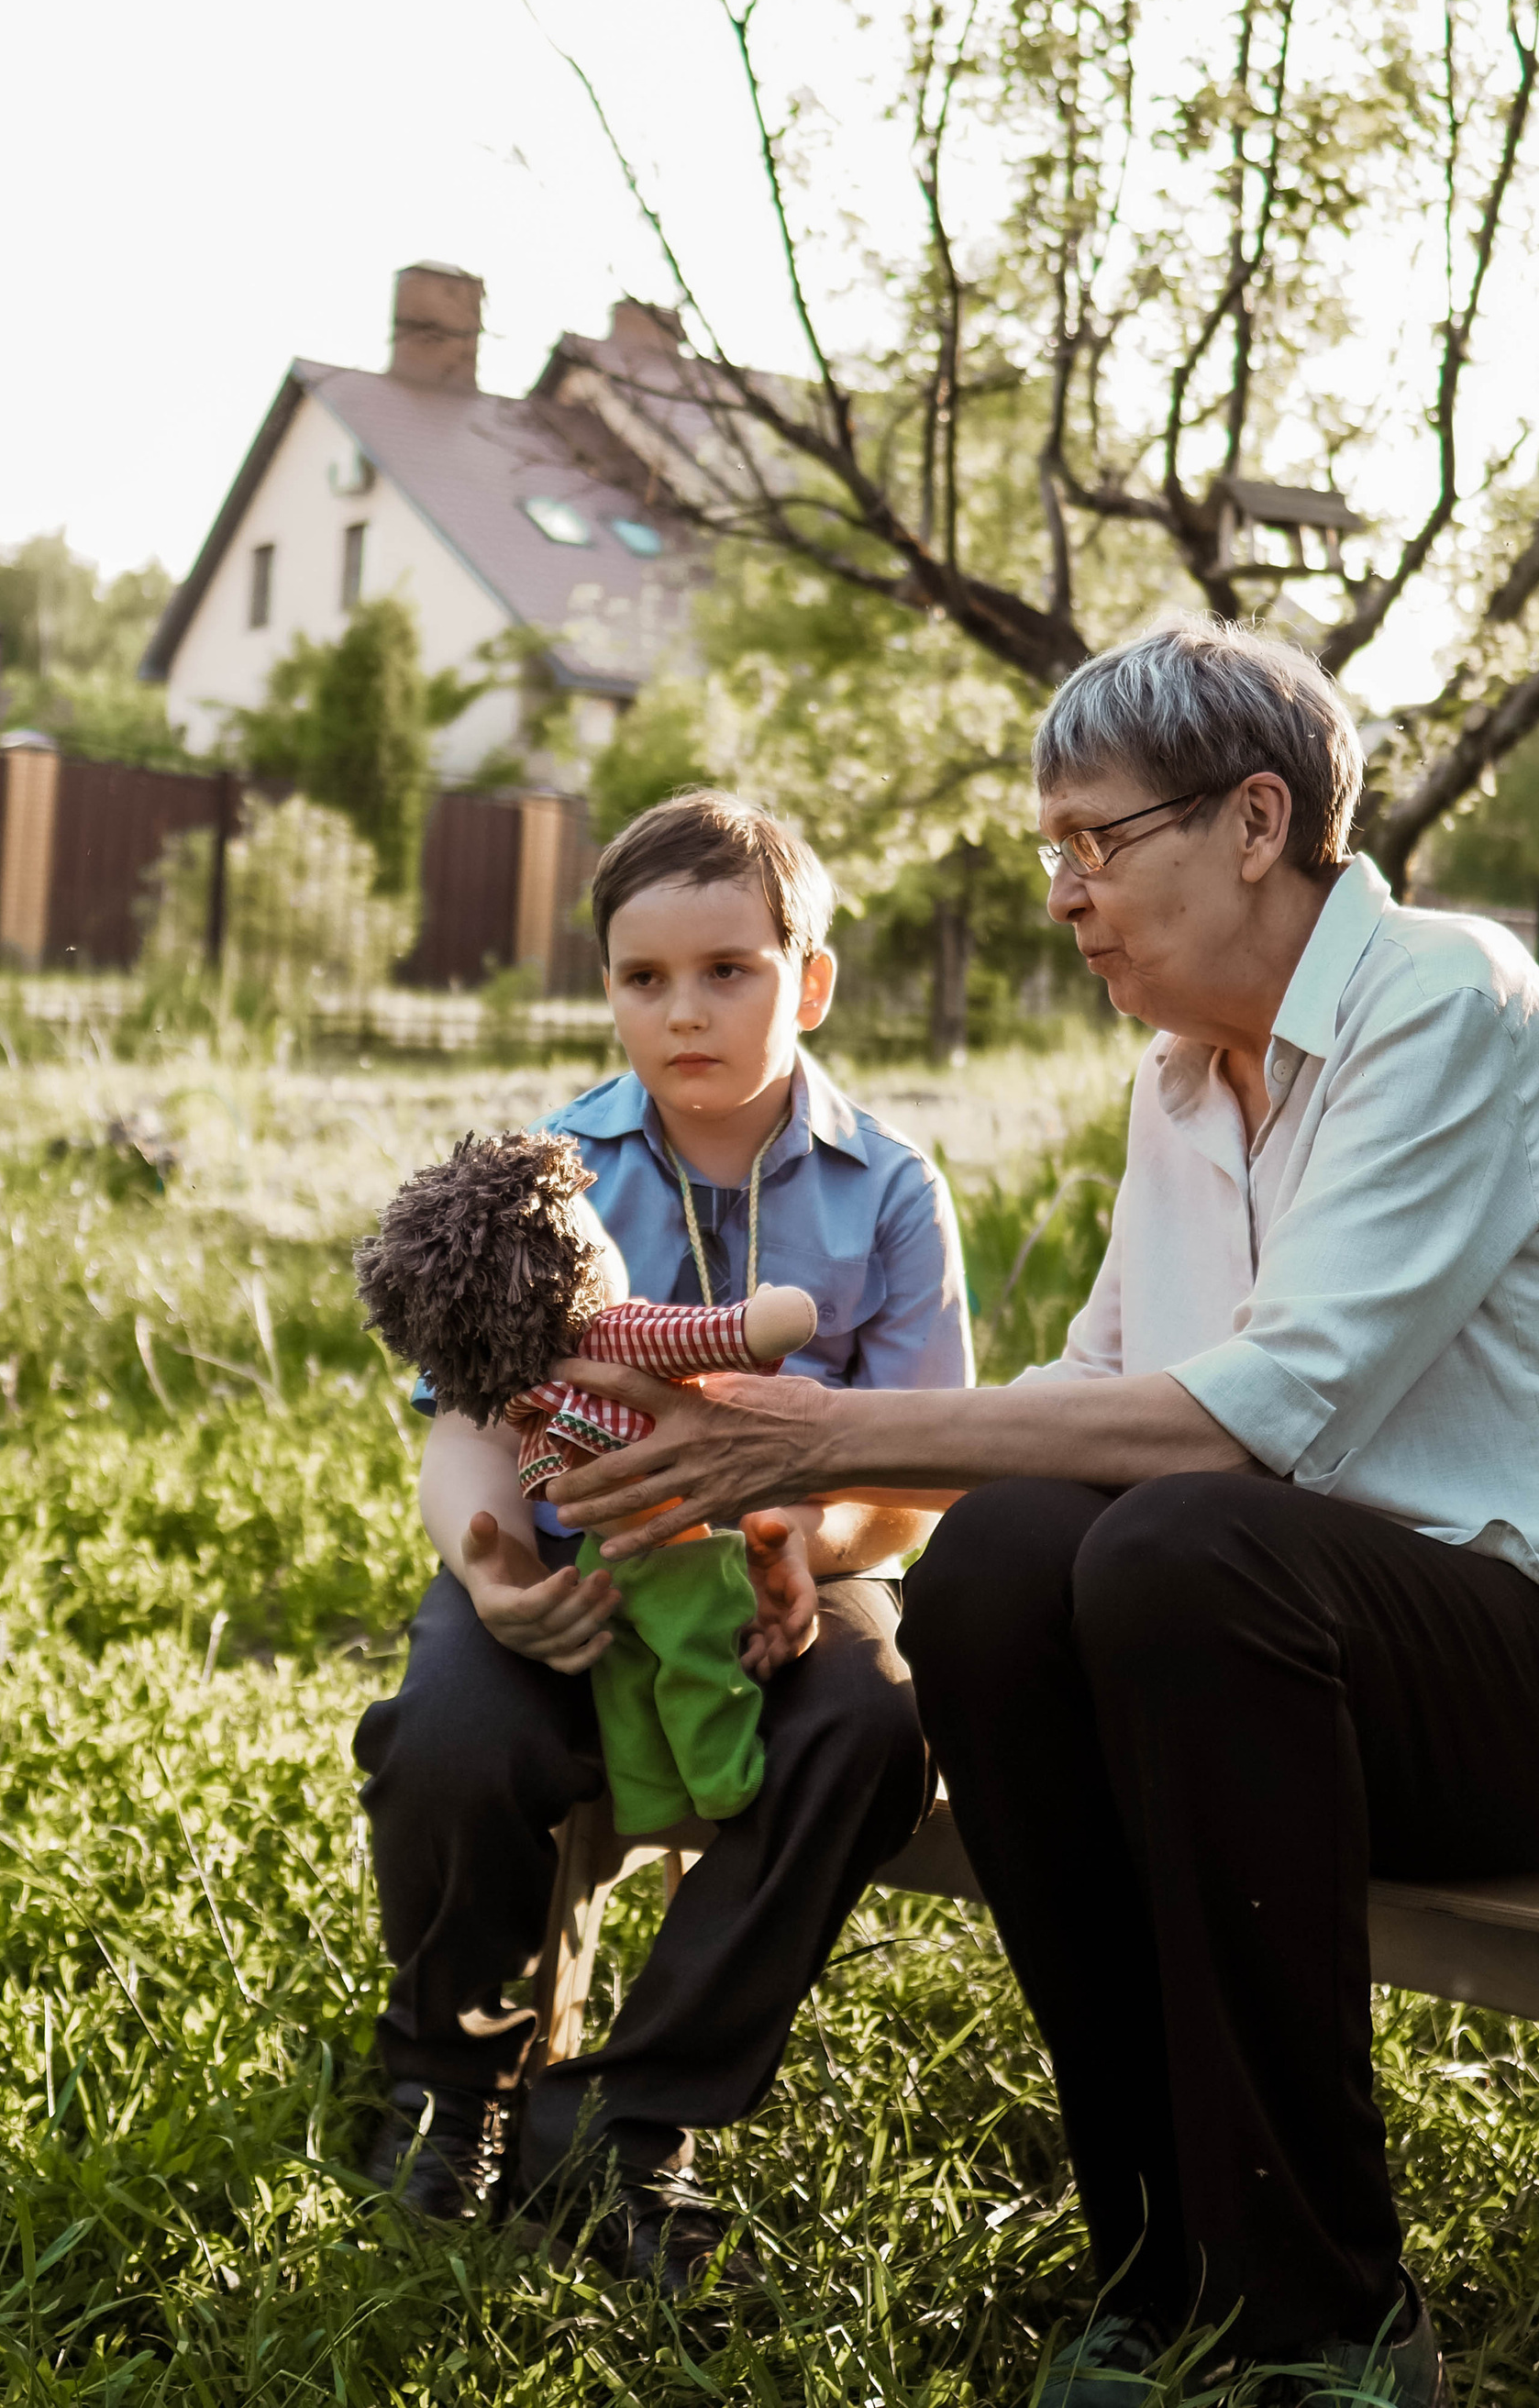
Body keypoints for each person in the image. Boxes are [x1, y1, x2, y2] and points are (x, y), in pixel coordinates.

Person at [550, 623, 1539, 2405]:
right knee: (1003, 1568)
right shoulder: (1179, 1078)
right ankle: (1161, 2270)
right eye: (1050, 854)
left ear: (1255, 821)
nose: (1066, 897)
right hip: (1253, 1650)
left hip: (1533, 1675)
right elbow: (1068, 1403)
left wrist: (823, 1430)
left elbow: (1265, 1417)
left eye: (1098, 843)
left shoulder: (1445, 1009)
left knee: (1174, 1545)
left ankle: (1324, 2319)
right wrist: (784, 1498)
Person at [352, 791, 969, 2291]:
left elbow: (929, 1462)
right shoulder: (548, 1173)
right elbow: (468, 1420)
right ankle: (450, 2064)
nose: (683, 1012)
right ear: (608, 988)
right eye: (644, 978)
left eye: (729, 970)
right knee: (447, 1728)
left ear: (808, 979)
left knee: (871, 1726)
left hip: (789, 1583)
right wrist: (488, 1565)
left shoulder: (887, 1189)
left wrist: (798, 1545)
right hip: (574, 1566)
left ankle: (631, 2114)